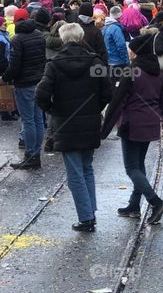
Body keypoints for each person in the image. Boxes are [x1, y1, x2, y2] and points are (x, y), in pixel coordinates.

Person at [36, 23, 112, 232]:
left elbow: (41, 94)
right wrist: (96, 108)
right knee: (86, 168)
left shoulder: (54, 63)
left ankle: (86, 217)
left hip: (66, 122)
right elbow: (108, 92)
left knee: (75, 173)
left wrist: (53, 110)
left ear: (62, 39)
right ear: (80, 37)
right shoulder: (94, 61)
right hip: (89, 121)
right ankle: (91, 211)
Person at [101, 33, 163, 223]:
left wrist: (103, 130)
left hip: (131, 123)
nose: (129, 52)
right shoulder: (157, 72)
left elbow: (117, 101)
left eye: (131, 49)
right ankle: (134, 204)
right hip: (150, 122)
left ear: (136, 52)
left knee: (131, 167)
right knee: (139, 164)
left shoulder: (131, 71)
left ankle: (155, 202)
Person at [4, 8, 47, 170]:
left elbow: (14, 66)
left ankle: (31, 155)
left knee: (28, 120)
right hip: (39, 81)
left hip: (24, 84)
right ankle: (36, 155)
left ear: (15, 21)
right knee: (38, 119)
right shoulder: (39, 35)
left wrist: (5, 78)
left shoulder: (16, 40)